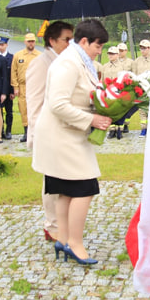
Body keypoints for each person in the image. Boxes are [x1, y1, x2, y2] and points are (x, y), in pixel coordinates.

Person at [32, 18, 112, 266]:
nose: (100, 52)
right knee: (85, 189)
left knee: (67, 192)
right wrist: (92, 119)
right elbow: (57, 105)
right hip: (61, 136)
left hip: (70, 135)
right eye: (98, 46)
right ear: (84, 41)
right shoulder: (67, 63)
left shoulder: (81, 60)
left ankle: (64, 240)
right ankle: (75, 244)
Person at [26, 21, 74, 242]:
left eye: (73, 39)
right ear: (52, 40)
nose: (70, 43)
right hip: (47, 132)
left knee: (66, 180)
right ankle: (52, 225)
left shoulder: (66, 62)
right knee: (52, 181)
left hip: (66, 131)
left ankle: (63, 223)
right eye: (66, 39)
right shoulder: (41, 63)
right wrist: (35, 134)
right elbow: (34, 103)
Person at [11, 33, 42, 143]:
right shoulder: (18, 55)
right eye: (29, 41)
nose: (31, 43)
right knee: (24, 109)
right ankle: (26, 132)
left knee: (36, 109)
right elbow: (13, 72)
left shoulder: (39, 55)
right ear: (25, 42)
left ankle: (36, 132)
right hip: (23, 86)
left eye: (32, 41)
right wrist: (15, 87)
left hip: (35, 86)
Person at [133, 39, 150, 136]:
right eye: (141, 48)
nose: (142, 51)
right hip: (141, 88)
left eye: (144, 48)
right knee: (142, 109)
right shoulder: (137, 61)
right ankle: (143, 129)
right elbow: (134, 74)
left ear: (149, 48)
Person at [0, 37, 15, 139]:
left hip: (8, 89)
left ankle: (9, 130)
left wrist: (12, 90)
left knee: (9, 111)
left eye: (2, 45)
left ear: (6, 45)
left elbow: (13, 75)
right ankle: (1, 130)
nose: (0, 47)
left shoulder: (11, 57)